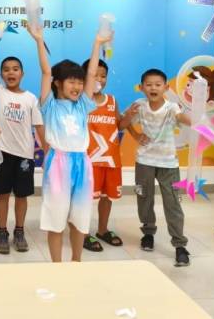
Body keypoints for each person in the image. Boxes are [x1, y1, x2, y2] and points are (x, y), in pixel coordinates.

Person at [27, 22, 108, 262]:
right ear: (58, 83)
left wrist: (97, 44)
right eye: (71, 81)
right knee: (56, 218)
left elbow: (91, 74)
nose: (77, 86)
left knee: (80, 218)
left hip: (82, 163)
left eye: (79, 82)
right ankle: (57, 265)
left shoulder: (83, 105)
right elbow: (45, 72)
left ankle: (76, 261)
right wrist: (39, 40)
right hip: (58, 164)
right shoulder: (49, 105)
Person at [119, 68, 191, 267]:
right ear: (142, 88)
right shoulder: (139, 105)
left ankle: (180, 245)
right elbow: (121, 125)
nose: (153, 88)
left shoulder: (171, 107)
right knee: (144, 198)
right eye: (149, 85)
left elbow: (182, 119)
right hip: (144, 161)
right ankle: (148, 233)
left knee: (173, 203)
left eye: (158, 84)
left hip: (169, 163)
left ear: (165, 87)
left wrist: (197, 121)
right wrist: (134, 132)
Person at [0, 39, 44, 254]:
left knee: (21, 195)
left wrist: (48, 150)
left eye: (15, 69)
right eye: (6, 69)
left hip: (24, 156)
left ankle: (19, 231)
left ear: (22, 73)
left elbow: (38, 126)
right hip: (0, 154)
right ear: (1, 74)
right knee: (2, 195)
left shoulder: (31, 99)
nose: (11, 72)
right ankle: (2, 232)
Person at [81, 58, 123, 252]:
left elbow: (119, 125)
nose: (99, 79)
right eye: (94, 75)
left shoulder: (112, 101)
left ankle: (103, 230)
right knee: (85, 199)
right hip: (88, 160)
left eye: (103, 76)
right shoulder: (80, 101)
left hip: (111, 159)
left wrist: (130, 116)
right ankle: (82, 233)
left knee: (107, 197)